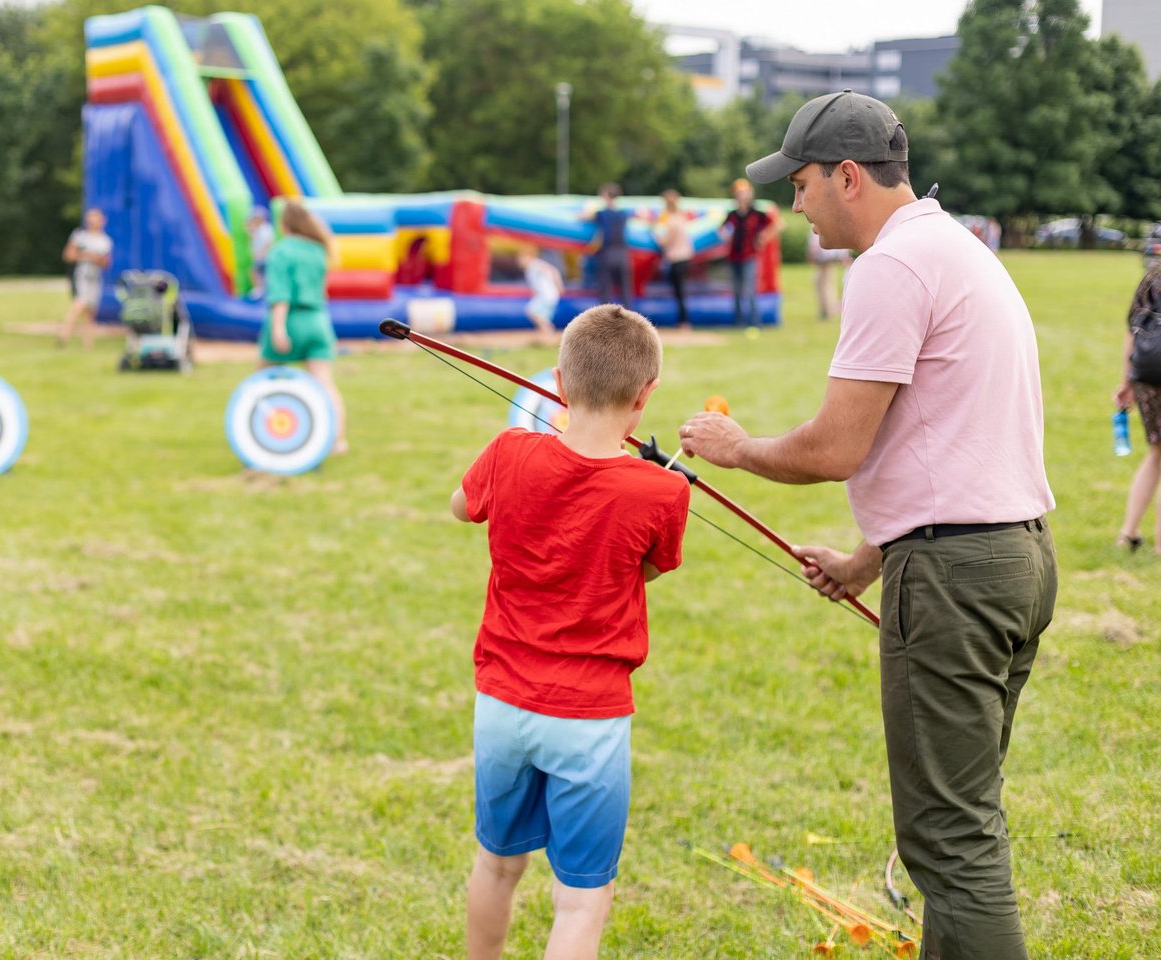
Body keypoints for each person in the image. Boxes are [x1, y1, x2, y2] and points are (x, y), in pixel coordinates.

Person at [679, 90, 1056, 960]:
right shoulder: (955, 248)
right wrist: (864, 563)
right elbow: (952, 444)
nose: (794, 202)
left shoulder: (890, 266)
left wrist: (736, 449)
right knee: (964, 824)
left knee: (950, 844)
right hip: (1016, 559)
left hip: (958, 582)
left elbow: (835, 447)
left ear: (848, 175)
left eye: (802, 182)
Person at [451, 305, 691, 960]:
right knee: (581, 898)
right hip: (588, 721)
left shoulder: (508, 451)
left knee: (497, 865)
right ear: (645, 398)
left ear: (556, 384)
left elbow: (462, 506)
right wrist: (662, 480)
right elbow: (643, 569)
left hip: (502, 705)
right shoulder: (661, 492)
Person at [260, 199, 347, 453]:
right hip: (318, 321)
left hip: (291, 319)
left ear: (284, 223)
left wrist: (278, 328)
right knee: (325, 384)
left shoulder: (280, 250)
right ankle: (338, 441)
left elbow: (280, 295)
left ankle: (259, 435)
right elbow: (322, 292)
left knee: (261, 380)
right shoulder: (318, 249)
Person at [1114, 263, 1161, 550]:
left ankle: (1128, 533)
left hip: (1146, 372)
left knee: (1156, 451)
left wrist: (1126, 380)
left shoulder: (1153, 276)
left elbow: (1132, 330)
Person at [721, 179, 781, 328]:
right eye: (739, 193)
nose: (742, 196)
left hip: (749, 256)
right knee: (736, 291)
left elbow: (778, 224)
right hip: (734, 256)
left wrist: (763, 237)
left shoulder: (757, 213)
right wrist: (726, 237)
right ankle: (739, 322)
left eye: (744, 193)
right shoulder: (733, 214)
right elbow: (722, 229)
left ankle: (755, 321)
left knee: (750, 290)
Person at [59, 208, 114, 350]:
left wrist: (98, 260)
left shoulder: (105, 241)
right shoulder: (80, 236)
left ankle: (88, 344)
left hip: (95, 277)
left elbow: (106, 263)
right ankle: (63, 336)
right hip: (81, 275)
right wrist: (88, 256)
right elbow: (68, 255)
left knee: (91, 312)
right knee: (79, 305)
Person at [587, 183, 632, 307]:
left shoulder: (603, 214)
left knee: (605, 290)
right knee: (625, 290)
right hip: (623, 253)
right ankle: (629, 321)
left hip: (608, 253)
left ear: (606, 196)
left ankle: (605, 323)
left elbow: (585, 216)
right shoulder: (623, 214)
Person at [653, 189, 693, 329]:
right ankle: (683, 321)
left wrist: (655, 236)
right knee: (680, 291)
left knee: (679, 292)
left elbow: (665, 242)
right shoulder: (681, 217)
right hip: (685, 257)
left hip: (676, 259)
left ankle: (683, 322)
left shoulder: (671, 220)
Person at [517, 244, 563, 336]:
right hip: (546, 295)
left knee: (532, 311)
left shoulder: (535, 264)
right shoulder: (529, 269)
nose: (519, 262)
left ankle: (548, 330)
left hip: (547, 295)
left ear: (528, 257)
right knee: (541, 315)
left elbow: (553, 271)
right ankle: (546, 332)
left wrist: (559, 285)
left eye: (521, 259)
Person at [808, 230, 852, 321]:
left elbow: (814, 242)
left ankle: (828, 311)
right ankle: (828, 310)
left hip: (824, 257)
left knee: (823, 285)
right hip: (828, 257)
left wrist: (812, 254)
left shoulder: (818, 224)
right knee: (827, 283)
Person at [247, 205, 275, 298]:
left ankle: (260, 289)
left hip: (264, 256)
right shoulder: (258, 229)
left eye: (256, 219)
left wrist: (261, 253)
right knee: (258, 272)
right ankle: (261, 289)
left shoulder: (266, 229)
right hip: (261, 256)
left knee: (255, 271)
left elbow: (269, 243)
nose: (254, 221)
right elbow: (248, 228)